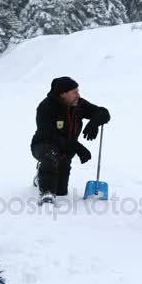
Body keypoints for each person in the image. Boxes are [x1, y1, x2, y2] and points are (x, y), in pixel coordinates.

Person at [31, 76, 110, 205]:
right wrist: (77, 147)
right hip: (43, 145)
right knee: (51, 156)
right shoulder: (46, 107)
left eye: (78, 91)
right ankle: (46, 193)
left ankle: (43, 174)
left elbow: (103, 113)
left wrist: (94, 122)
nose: (78, 95)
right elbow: (51, 136)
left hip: (66, 151)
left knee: (61, 191)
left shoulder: (78, 104)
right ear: (63, 94)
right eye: (74, 92)